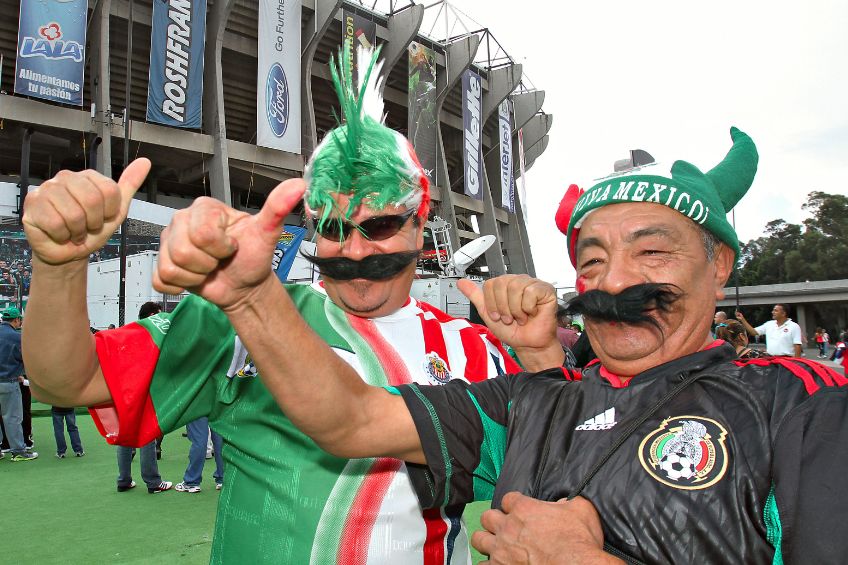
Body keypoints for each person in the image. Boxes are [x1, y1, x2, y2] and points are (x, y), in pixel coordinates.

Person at [162, 126, 848, 563]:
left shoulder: (802, 407)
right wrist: (252, 297)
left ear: (720, 263)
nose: (617, 281)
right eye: (593, 257)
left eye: (652, 251)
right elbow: (350, 418)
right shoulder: (530, 400)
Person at [21, 45, 560, 564]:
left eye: (381, 225)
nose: (353, 249)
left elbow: (559, 464)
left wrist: (540, 357)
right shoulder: (240, 319)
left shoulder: (478, 350)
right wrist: (60, 265)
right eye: (330, 226)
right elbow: (65, 382)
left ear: (422, 224)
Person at [114, 302, 172, 494]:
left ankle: (124, 479)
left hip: (125, 391)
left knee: (126, 435)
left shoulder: (129, 332)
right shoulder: (151, 335)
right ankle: (153, 482)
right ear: (152, 315)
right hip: (144, 390)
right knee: (147, 434)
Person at [0, 306, 37, 461]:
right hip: (9, 381)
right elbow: (27, 359)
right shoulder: (17, 337)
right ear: (16, 320)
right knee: (12, 418)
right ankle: (18, 451)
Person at [174, 417, 224, 493]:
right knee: (220, 439)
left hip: (198, 406)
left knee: (199, 439)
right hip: (219, 406)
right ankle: (223, 478)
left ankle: (192, 481)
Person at [736, 304, 803, 356]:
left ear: (783, 313)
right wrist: (742, 319)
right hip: (771, 360)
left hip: (787, 361)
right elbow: (753, 332)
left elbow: (797, 345)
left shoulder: (794, 326)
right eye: (773, 310)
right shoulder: (769, 324)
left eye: (776, 310)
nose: (772, 312)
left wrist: (796, 362)